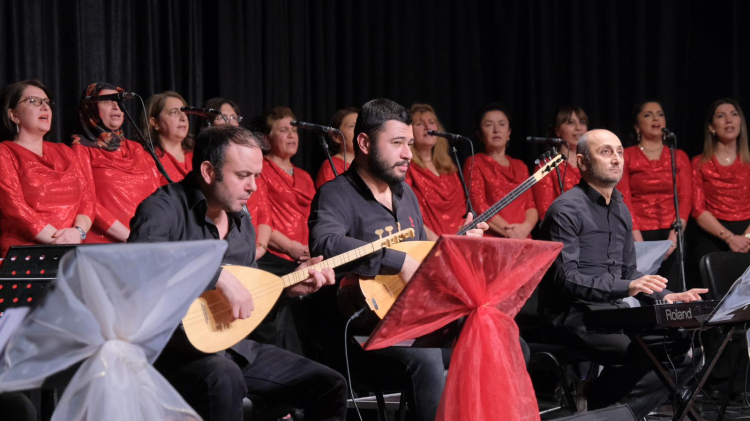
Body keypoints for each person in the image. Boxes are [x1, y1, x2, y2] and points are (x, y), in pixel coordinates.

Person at [128, 124, 347, 421]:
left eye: (256, 176)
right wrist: (215, 274)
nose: (253, 186)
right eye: (243, 175)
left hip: (231, 348)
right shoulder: (163, 207)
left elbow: (247, 305)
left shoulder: (242, 223)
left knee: (329, 384)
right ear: (208, 171)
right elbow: (140, 263)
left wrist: (286, 291)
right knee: (224, 377)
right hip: (170, 353)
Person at [309, 98, 490, 421]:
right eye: (396, 143)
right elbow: (326, 243)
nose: (408, 153)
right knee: (428, 360)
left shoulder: (406, 196)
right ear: (364, 143)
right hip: (363, 330)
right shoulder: (336, 194)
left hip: (414, 321)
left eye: (409, 144)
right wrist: (397, 261)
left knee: (497, 338)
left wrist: (458, 247)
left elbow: (424, 262)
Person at [538, 129, 708, 419]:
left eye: (619, 151)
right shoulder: (565, 210)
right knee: (646, 353)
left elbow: (629, 271)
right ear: (582, 162)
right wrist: (626, 287)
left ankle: (599, 402)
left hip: (612, 312)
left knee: (687, 348)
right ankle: (608, 409)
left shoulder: (620, 209)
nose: (616, 158)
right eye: (605, 152)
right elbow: (567, 278)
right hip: (572, 315)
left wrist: (667, 296)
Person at [0, 80, 94, 256]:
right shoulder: (5, 153)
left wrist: (78, 232)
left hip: (72, 250)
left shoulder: (65, 152)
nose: (45, 107)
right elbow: (15, 208)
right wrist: (59, 241)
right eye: (33, 101)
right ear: (13, 115)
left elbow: (87, 200)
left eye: (47, 102)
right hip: (27, 253)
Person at [71, 82, 161, 243]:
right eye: (106, 101)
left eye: (119, 101)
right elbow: (87, 201)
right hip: (106, 244)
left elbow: (158, 195)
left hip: (146, 239)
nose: (116, 106)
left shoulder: (137, 148)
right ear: (90, 108)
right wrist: (130, 237)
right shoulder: (81, 149)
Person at [617, 101, 692, 282]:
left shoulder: (678, 155)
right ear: (637, 126)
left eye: (660, 114)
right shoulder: (626, 156)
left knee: (673, 287)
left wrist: (673, 239)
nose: (656, 118)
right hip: (639, 233)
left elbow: (685, 198)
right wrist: (638, 242)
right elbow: (624, 198)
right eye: (648, 115)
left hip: (672, 233)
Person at [247, 106, 315, 273]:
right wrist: (290, 247)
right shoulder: (260, 170)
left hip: (309, 254)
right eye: (283, 130)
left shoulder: (305, 176)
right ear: (266, 139)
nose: (291, 135)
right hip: (276, 258)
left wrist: (313, 246)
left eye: (294, 130)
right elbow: (260, 216)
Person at [464, 103, 538, 238]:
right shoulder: (475, 162)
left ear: (509, 132)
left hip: (523, 237)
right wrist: (509, 232)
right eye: (489, 125)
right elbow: (478, 206)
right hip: (494, 239)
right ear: (479, 134)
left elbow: (531, 206)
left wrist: (525, 228)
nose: (496, 130)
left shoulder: (521, 166)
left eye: (502, 124)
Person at [692, 98, 750, 257]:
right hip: (715, 235)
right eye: (721, 116)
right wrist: (730, 238)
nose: (729, 120)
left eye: (734, 114)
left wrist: (746, 238)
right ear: (711, 127)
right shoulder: (699, 163)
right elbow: (698, 210)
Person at [405, 103, 466, 240]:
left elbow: (462, 207)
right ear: (409, 132)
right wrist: (437, 242)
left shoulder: (449, 167)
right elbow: (406, 212)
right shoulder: (407, 167)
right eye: (419, 124)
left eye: (432, 122)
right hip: (428, 242)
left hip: (458, 241)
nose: (428, 127)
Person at [532, 105, 588, 220]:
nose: (578, 128)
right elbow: (546, 212)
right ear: (557, 131)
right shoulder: (546, 165)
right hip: (565, 227)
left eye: (582, 122)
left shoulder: (593, 163)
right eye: (571, 123)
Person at [143, 91, 193, 183]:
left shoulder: (198, 155)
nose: (184, 118)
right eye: (174, 112)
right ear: (155, 122)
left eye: (185, 112)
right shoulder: (145, 158)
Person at [315, 107, 358, 188]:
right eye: (352, 126)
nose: (358, 130)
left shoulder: (370, 165)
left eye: (360, 126)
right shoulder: (331, 166)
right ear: (336, 137)